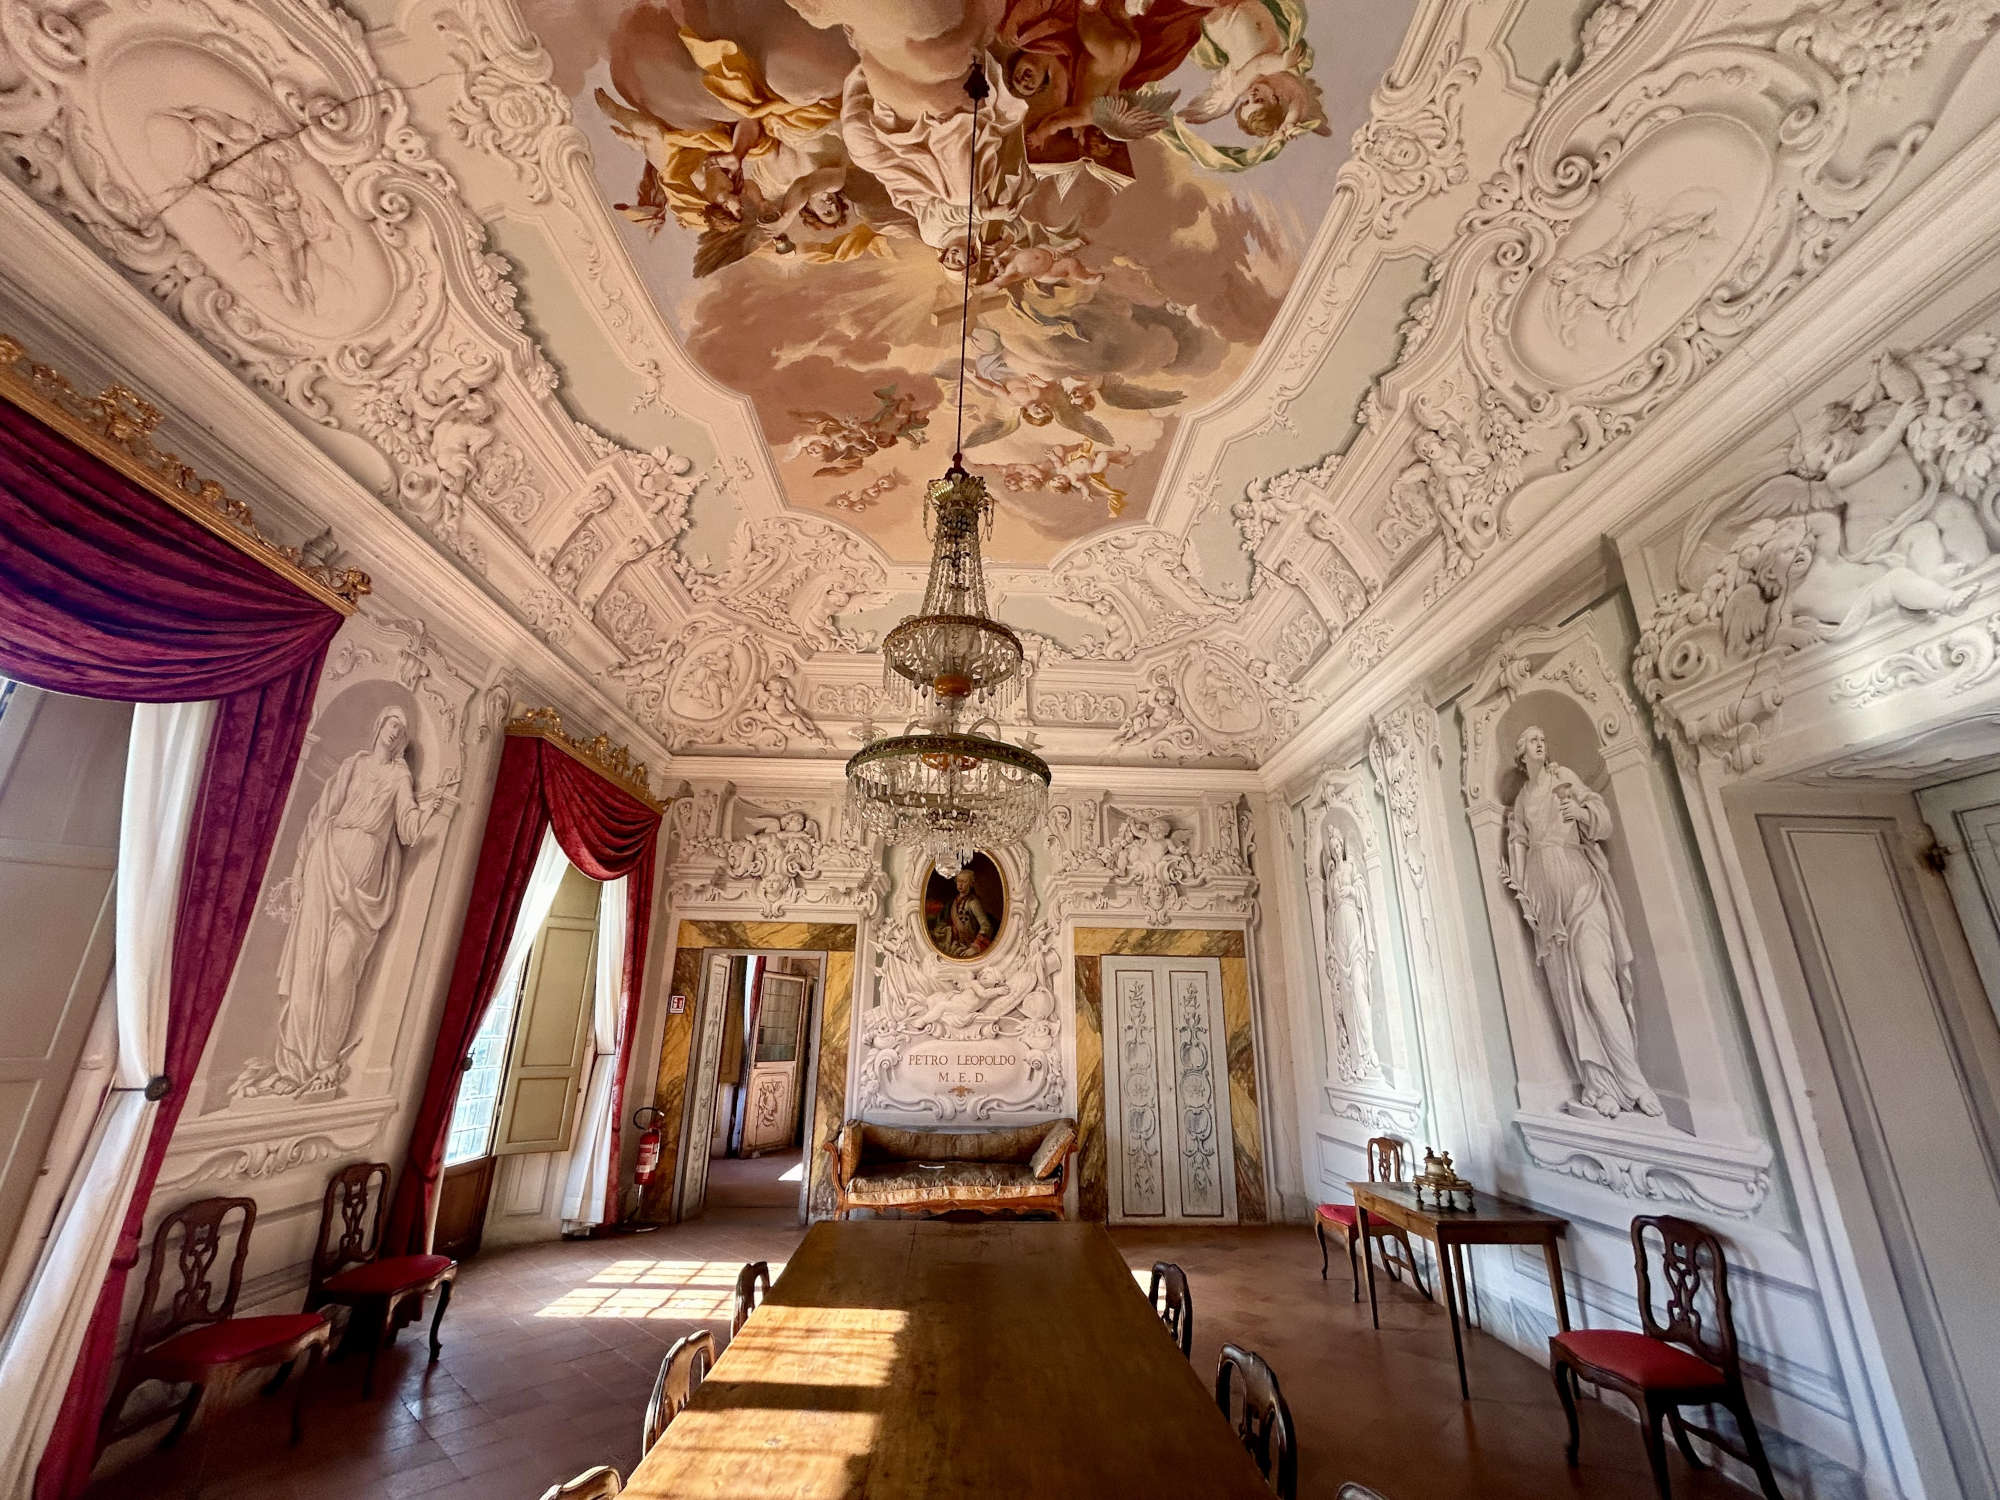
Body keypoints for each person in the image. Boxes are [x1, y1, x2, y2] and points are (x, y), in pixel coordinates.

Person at [1503, 725, 1660, 1119]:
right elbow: (1518, 842)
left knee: (1595, 979)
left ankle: (1634, 1082)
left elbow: (1601, 820)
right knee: (1566, 992)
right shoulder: (1522, 799)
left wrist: (1582, 813)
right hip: (1545, 900)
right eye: (1533, 739)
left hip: (1581, 885)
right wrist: (1523, 892)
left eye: (1543, 737)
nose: (1541, 742)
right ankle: (1597, 1084)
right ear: (1522, 754)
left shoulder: (1563, 777)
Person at [929, 866, 998, 957]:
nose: (960, 885)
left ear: (971, 884)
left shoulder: (973, 903)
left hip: (968, 944)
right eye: (958, 881)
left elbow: (986, 926)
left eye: (964, 882)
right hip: (953, 942)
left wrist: (975, 947)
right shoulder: (955, 901)